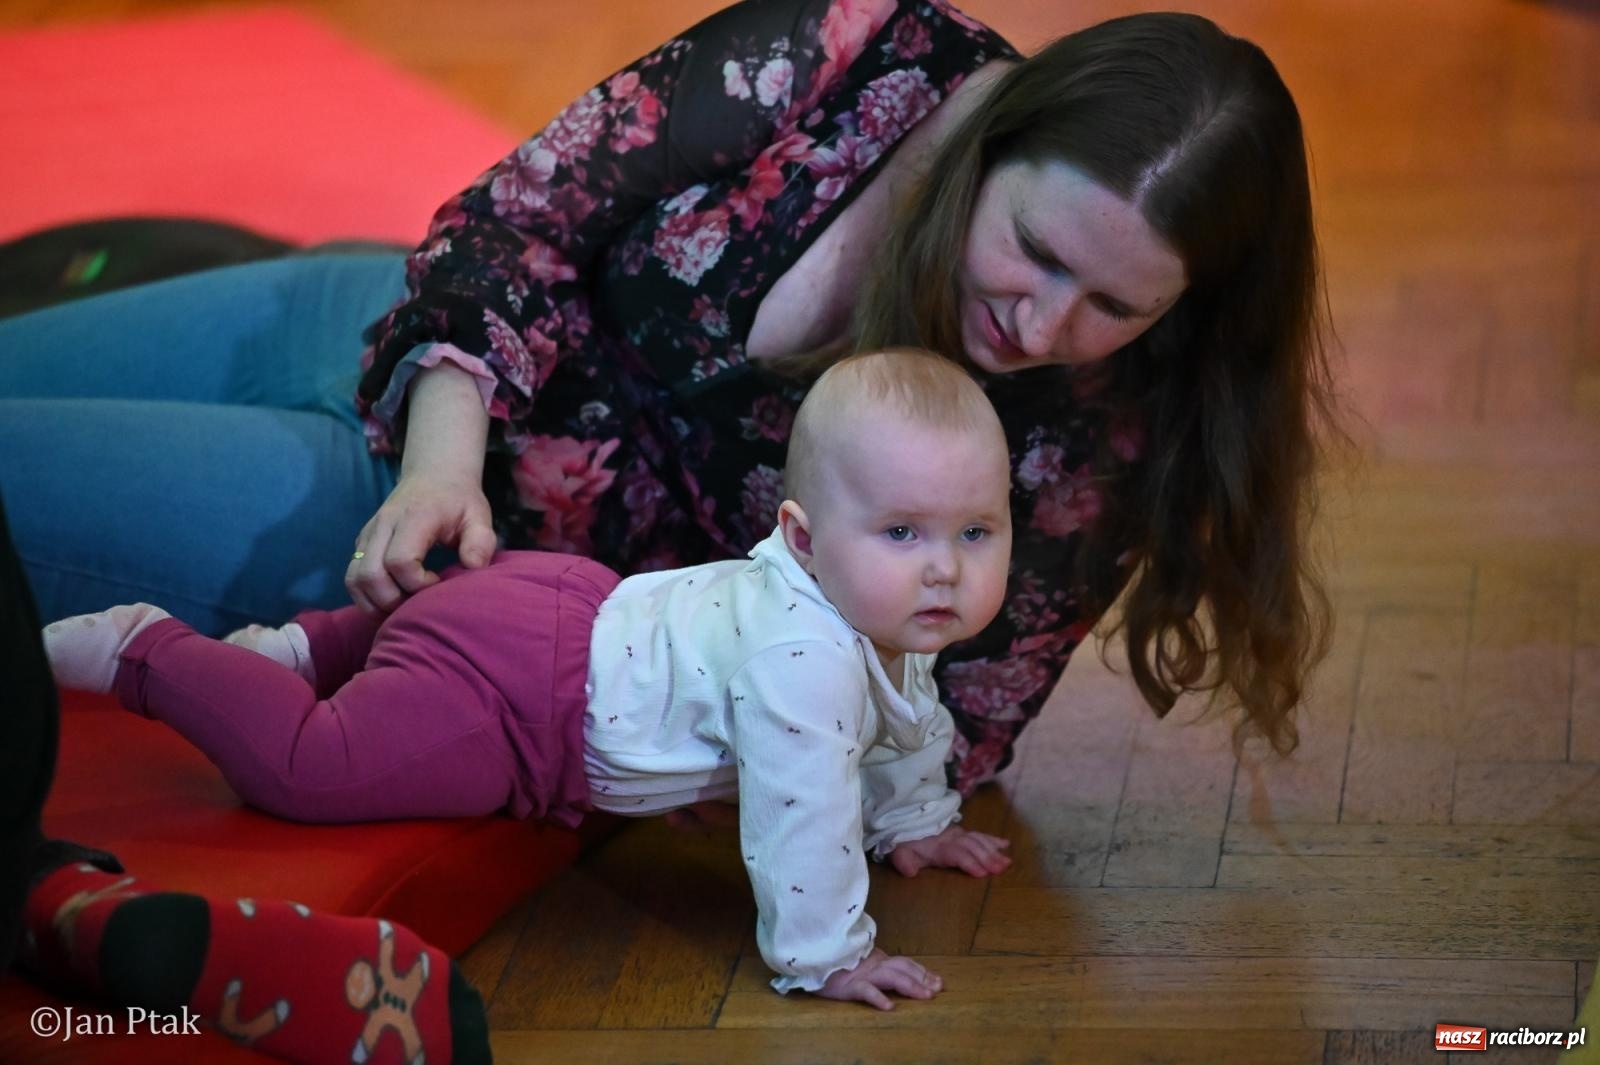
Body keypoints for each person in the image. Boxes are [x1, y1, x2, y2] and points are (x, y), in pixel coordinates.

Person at [0, 0, 1339, 797]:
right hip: (388, 346)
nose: (1043, 326)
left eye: (1115, 304)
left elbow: (944, 735)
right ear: (998, 141)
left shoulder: (1111, 430)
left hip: (410, 575)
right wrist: (441, 460)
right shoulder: (859, 43)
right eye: (1034, 251)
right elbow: (522, 215)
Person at [43, 349, 1017, 1007]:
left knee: (399, 639)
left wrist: (912, 822)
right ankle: (147, 651)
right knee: (312, 763)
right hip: (519, 698)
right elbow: (800, 817)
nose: (944, 568)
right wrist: (829, 955)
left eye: (976, 531)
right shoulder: (804, 662)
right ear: (801, 537)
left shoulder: (882, 613)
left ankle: (303, 650)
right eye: (903, 532)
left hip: (558, 598)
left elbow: (906, 716)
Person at [0, 492, 491, 1065]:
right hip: (464, 540)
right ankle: (53, 896)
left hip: (473, 559)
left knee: (324, 735)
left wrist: (439, 469)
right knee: (320, 750)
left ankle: (255, 652)